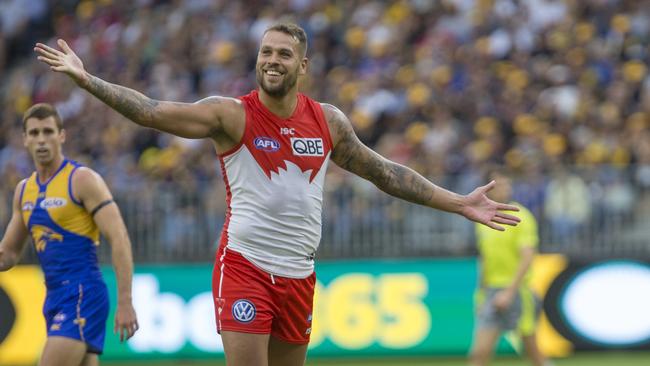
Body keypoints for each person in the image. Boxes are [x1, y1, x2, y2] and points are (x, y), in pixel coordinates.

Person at [35, 23, 520, 366]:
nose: (271, 60)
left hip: (299, 276)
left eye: (283, 54)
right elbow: (152, 111)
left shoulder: (328, 121)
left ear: (302, 65)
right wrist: (87, 79)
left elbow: (386, 173)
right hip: (245, 265)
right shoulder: (231, 115)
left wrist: (458, 202)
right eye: (266, 52)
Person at [0, 103, 138, 366]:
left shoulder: (82, 180)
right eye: (35, 133)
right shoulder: (23, 191)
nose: (42, 140)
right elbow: (7, 255)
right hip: (53, 297)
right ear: (24, 139)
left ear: (61, 135)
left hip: (82, 293)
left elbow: (119, 237)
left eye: (48, 131)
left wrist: (125, 301)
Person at [469, 167, 548, 366]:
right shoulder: (482, 219)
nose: (505, 188)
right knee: (479, 354)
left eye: (507, 183)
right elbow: (484, 259)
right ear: (487, 189)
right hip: (491, 293)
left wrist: (509, 292)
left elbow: (527, 257)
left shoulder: (521, 215)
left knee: (534, 355)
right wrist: (480, 294)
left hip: (517, 292)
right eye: (499, 184)